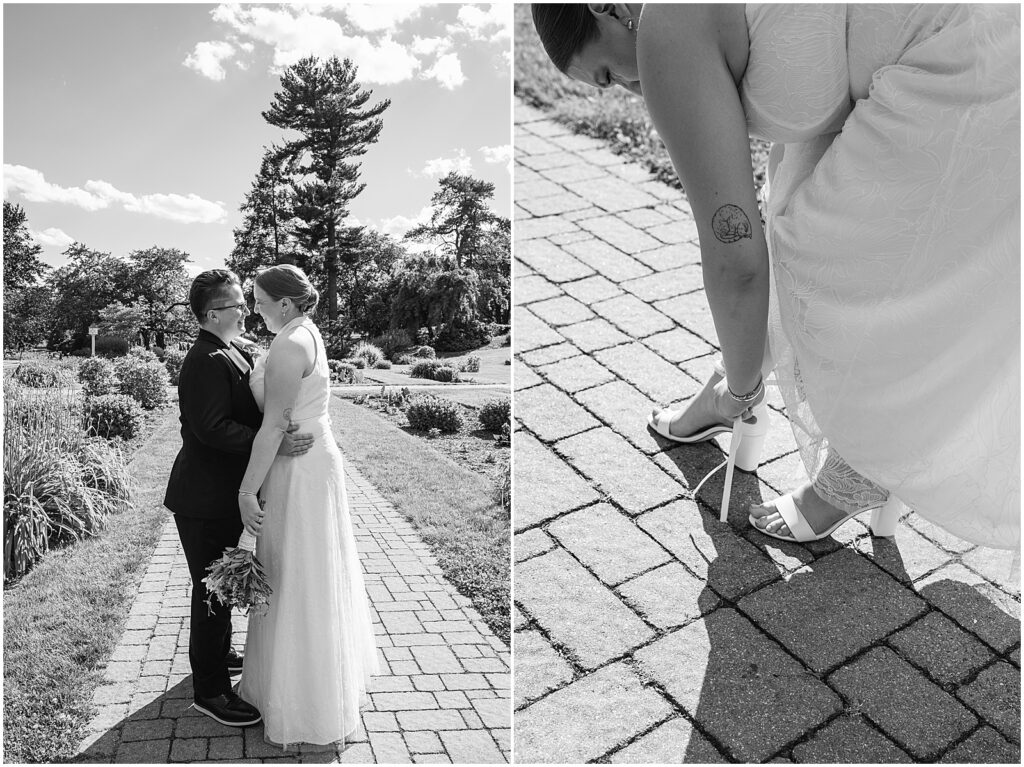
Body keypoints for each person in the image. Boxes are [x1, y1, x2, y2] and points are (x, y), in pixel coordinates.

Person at [531, 4, 1020, 548]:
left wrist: (744, 390)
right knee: (792, 197)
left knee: (819, 257)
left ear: (606, 6)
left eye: (606, 73)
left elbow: (734, 257)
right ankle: (731, 392)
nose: (625, 86)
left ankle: (846, 459)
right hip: (990, 40)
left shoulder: (663, 29)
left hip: (966, 73)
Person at [236, 264, 378, 749]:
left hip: (299, 470)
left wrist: (245, 491)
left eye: (258, 299)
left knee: (297, 572)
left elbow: (273, 426)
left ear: (285, 303)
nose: (254, 308)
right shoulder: (306, 333)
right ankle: (310, 683)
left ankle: (305, 698)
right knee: (310, 569)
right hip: (315, 459)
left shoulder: (290, 344)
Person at [164, 269, 313, 726]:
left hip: (222, 493)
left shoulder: (230, 351)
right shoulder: (205, 359)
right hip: (204, 498)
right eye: (235, 305)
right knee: (210, 592)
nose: (246, 311)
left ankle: (220, 654)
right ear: (213, 314)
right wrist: (269, 441)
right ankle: (210, 692)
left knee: (224, 584)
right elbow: (210, 428)